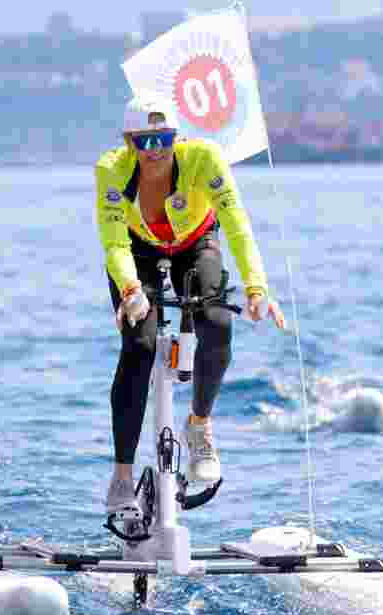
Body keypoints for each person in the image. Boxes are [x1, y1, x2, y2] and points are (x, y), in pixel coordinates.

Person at [96, 95, 285, 516]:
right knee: (140, 346)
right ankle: (123, 473)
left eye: (164, 138)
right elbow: (113, 241)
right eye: (145, 141)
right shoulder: (111, 170)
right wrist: (130, 288)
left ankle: (199, 427)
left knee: (216, 322)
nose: (156, 150)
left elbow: (237, 224)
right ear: (129, 142)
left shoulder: (204, 158)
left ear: (176, 137)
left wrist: (257, 286)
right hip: (137, 254)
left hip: (195, 242)